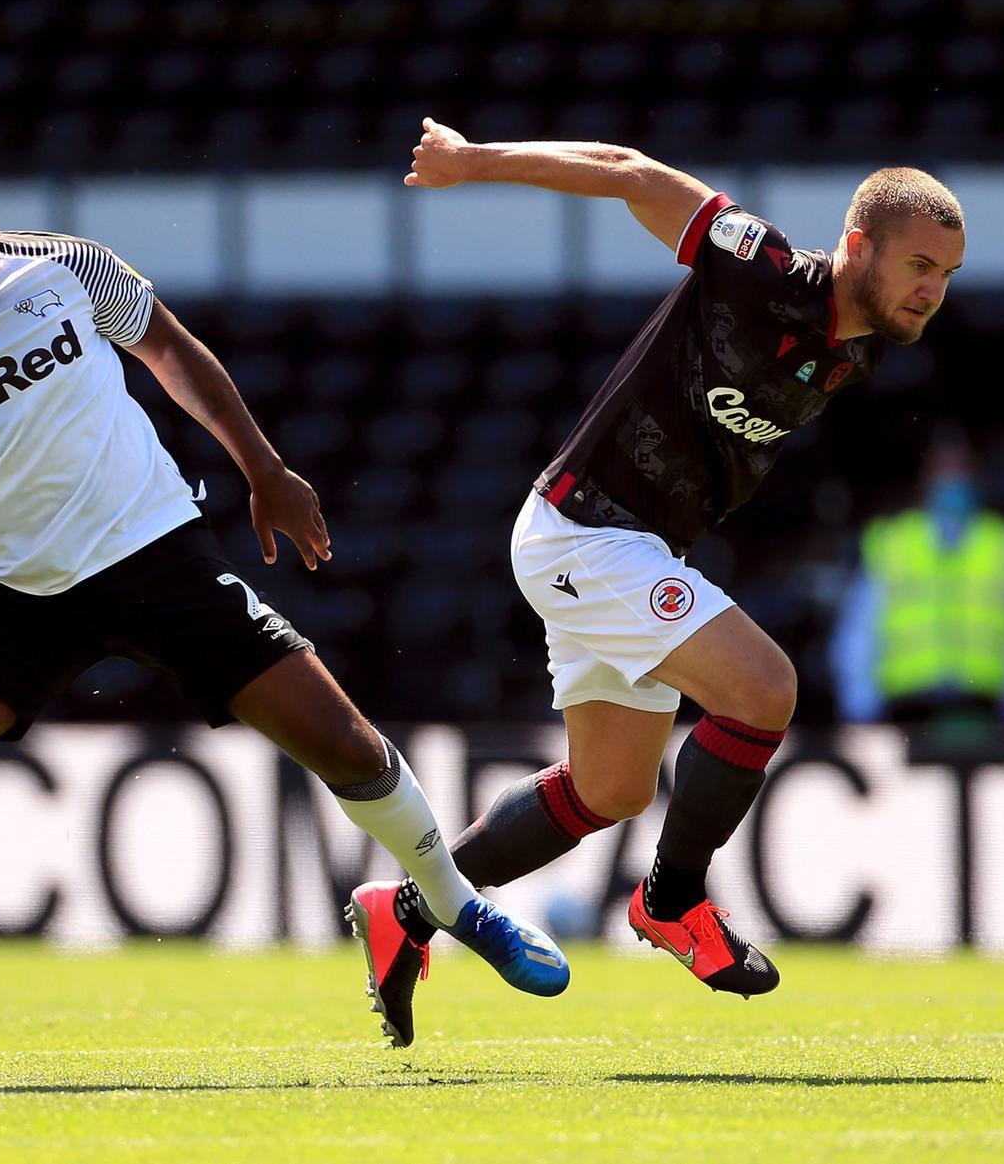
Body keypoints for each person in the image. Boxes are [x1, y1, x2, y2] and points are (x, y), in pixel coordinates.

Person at [0, 135, 569, 1090]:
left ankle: (451, 902)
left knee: (347, 744)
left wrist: (264, 468)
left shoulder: (64, 266)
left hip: (154, 552)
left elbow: (171, 349)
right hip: (17, 587)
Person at [349, 118, 965, 1047]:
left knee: (609, 789)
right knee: (763, 689)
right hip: (584, 529)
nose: (933, 290)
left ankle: (407, 908)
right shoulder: (757, 266)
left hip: (630, 547)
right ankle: (672, 902)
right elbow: (629, 172)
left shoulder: (869, 341)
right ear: (856, 246)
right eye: (919, 264)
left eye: (946, 275)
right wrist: (473, 163)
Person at [829, 430, 1004, 730]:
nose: (953, 479)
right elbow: (858, 635)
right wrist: (860, 711)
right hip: (904, 711)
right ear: (925, 478)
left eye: (962, 469)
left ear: (977, 477)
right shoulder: (893, 543)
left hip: (990, 713)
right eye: (944, 468)